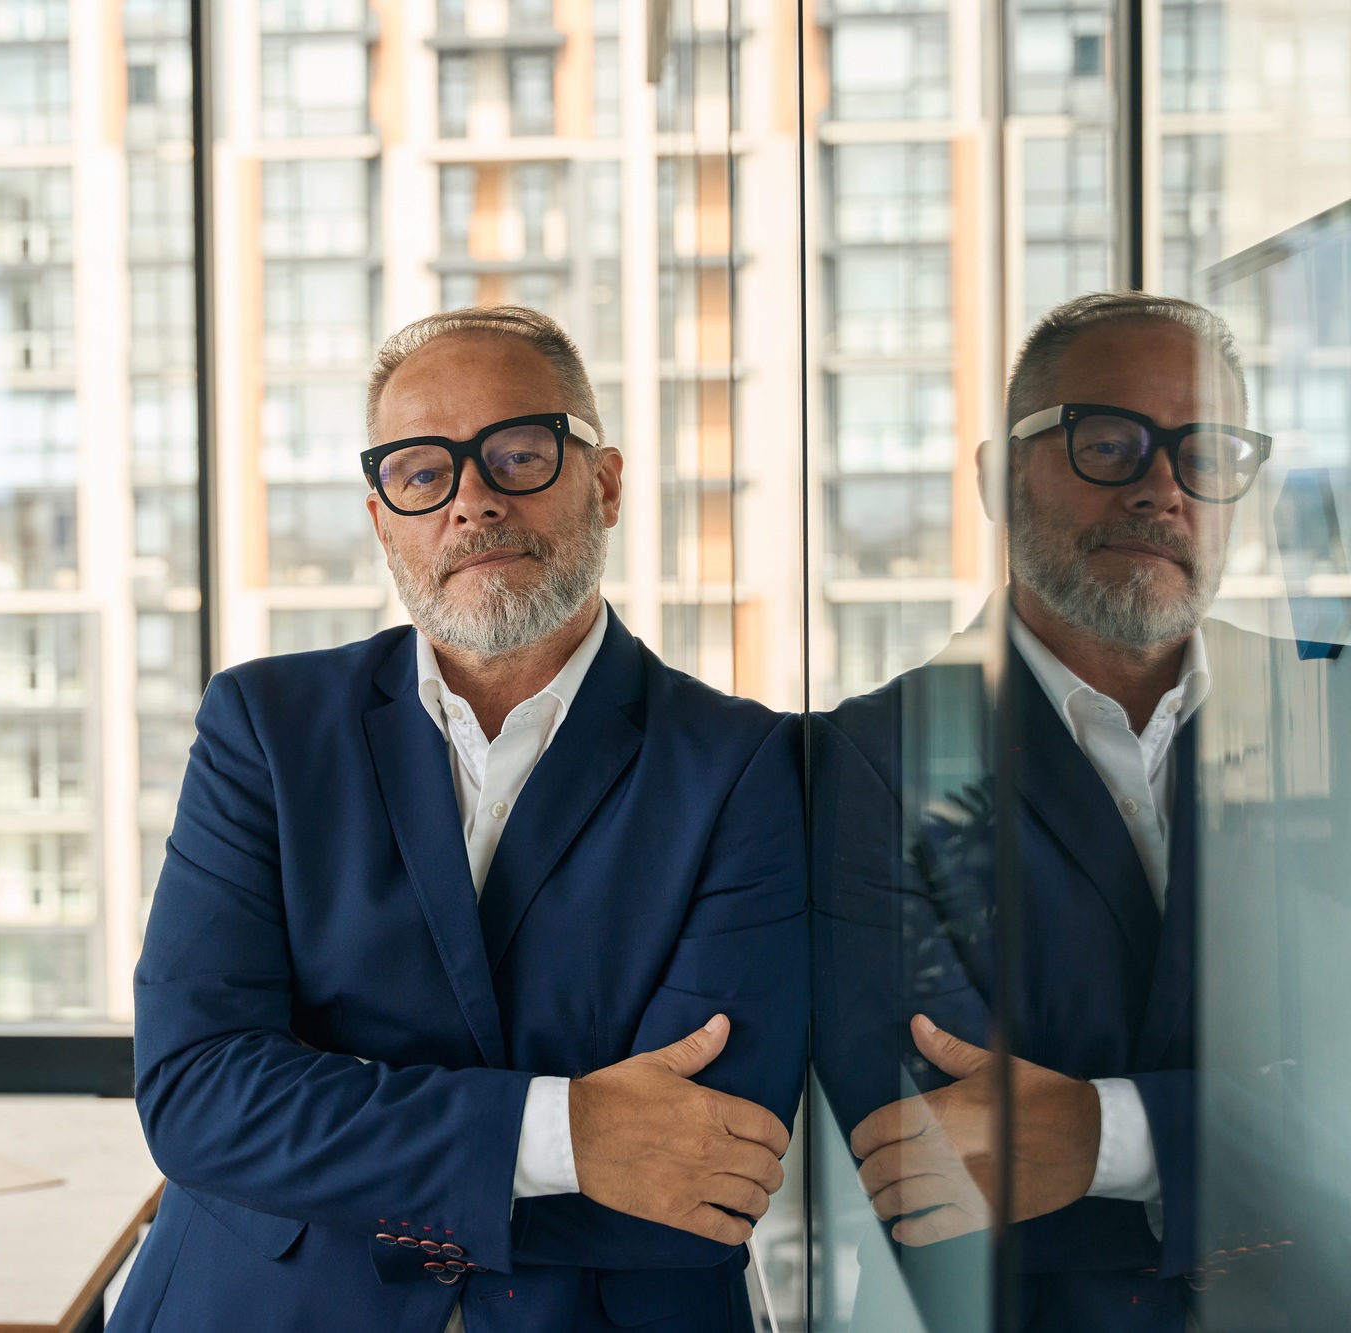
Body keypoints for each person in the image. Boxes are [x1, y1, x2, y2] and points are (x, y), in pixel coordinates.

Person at [112, 307, 807, 1332]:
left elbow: (701, 1171)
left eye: (518, 453)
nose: (471, 502)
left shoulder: (748, 764)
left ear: (603, 483)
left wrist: (333, 1154)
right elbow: (198, 1095)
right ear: (380, 516)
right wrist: (569, 1131)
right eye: (421, 472)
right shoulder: (264, 727)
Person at [811, 291, 1274, 1330]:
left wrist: (1104, 1137)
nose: (1161, 488)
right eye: (1107, 441)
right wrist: (1266, 1134)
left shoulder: (1325, 712)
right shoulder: (862, 760)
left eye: (1206, 451)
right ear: (993, 476)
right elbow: (926, 1159)